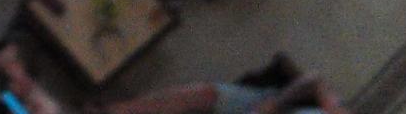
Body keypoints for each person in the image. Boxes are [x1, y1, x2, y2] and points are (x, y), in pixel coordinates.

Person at [86, 75, 350, 114]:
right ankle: (117, 111)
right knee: (206, 93)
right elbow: (314, 80)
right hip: (268, 107)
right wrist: (277, 104)